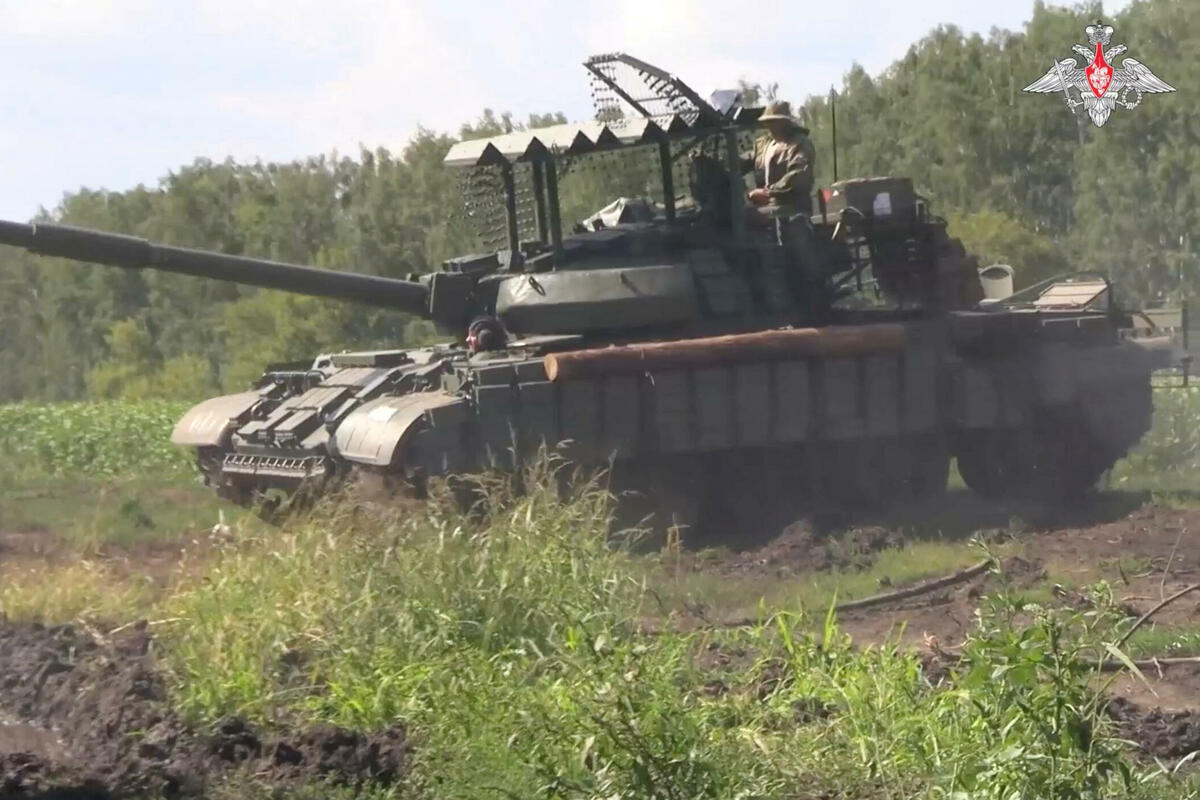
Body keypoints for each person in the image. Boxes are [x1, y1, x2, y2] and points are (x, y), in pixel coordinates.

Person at [743, 101, 816, 224]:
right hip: (766, 208)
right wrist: (749, 193)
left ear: (785, 122)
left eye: (775, 121)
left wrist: (768, 192)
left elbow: (799, 174)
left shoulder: (799, 143)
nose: (771, 126)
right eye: (768, 122)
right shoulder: (763, 145)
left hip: (793, 209)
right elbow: (739, 164)